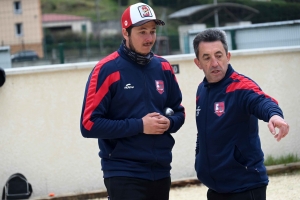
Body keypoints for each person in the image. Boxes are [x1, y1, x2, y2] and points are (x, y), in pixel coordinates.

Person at [80, 2, 185, 200]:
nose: (149, 38)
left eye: (152, 31)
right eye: (142, 31)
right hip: (123, 172)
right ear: (125, 33)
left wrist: (169, 123)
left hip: (161, 170)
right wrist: (140, 125)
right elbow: (88, 124)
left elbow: (179, 112)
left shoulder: (163, 67)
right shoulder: (107, 70)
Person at [192, 29, 289, 200]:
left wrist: (274, 115)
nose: (214, 63)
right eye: (207, 57)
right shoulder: (202, 90)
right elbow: (203, 133)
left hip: (245, 187)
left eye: (219, 55)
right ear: (198, 62)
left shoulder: (241, 86)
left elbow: (261, 101)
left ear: (228, 57)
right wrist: (199, 158)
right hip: (216, 189)